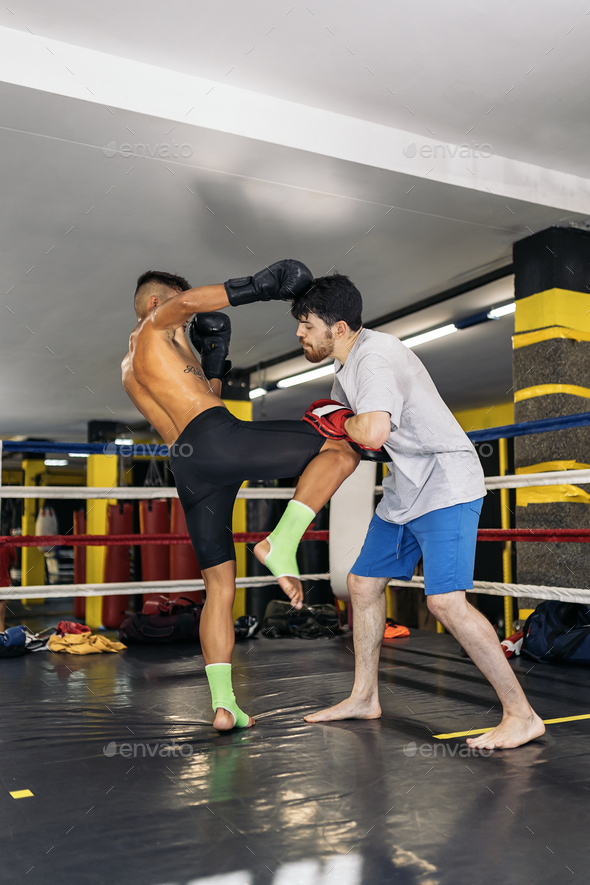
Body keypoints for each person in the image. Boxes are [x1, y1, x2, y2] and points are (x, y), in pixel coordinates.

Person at [293, 273, 545, 750]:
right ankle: (364, 696)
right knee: (362, 583)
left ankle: (522, 714)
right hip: (405, 489)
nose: (300, 334)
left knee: (444, 602)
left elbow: (369, 434)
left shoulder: (375, 359)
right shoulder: (345, 371)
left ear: (339, 327)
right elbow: (340, 446)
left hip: (447, 482)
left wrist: (341, 421)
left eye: (306, 325)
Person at [122, 261, 360, 732]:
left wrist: (214, 362)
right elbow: (188, 303)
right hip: (214, 440)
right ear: (156, 303)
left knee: (219, 590)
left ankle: (225, 706)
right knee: (342, 445)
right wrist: (261, 287)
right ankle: (281, 542)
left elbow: (203, 397)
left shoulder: (137, 365)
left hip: (191, 466)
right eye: (173, 305)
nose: (185, 315)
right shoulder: (155, 326)